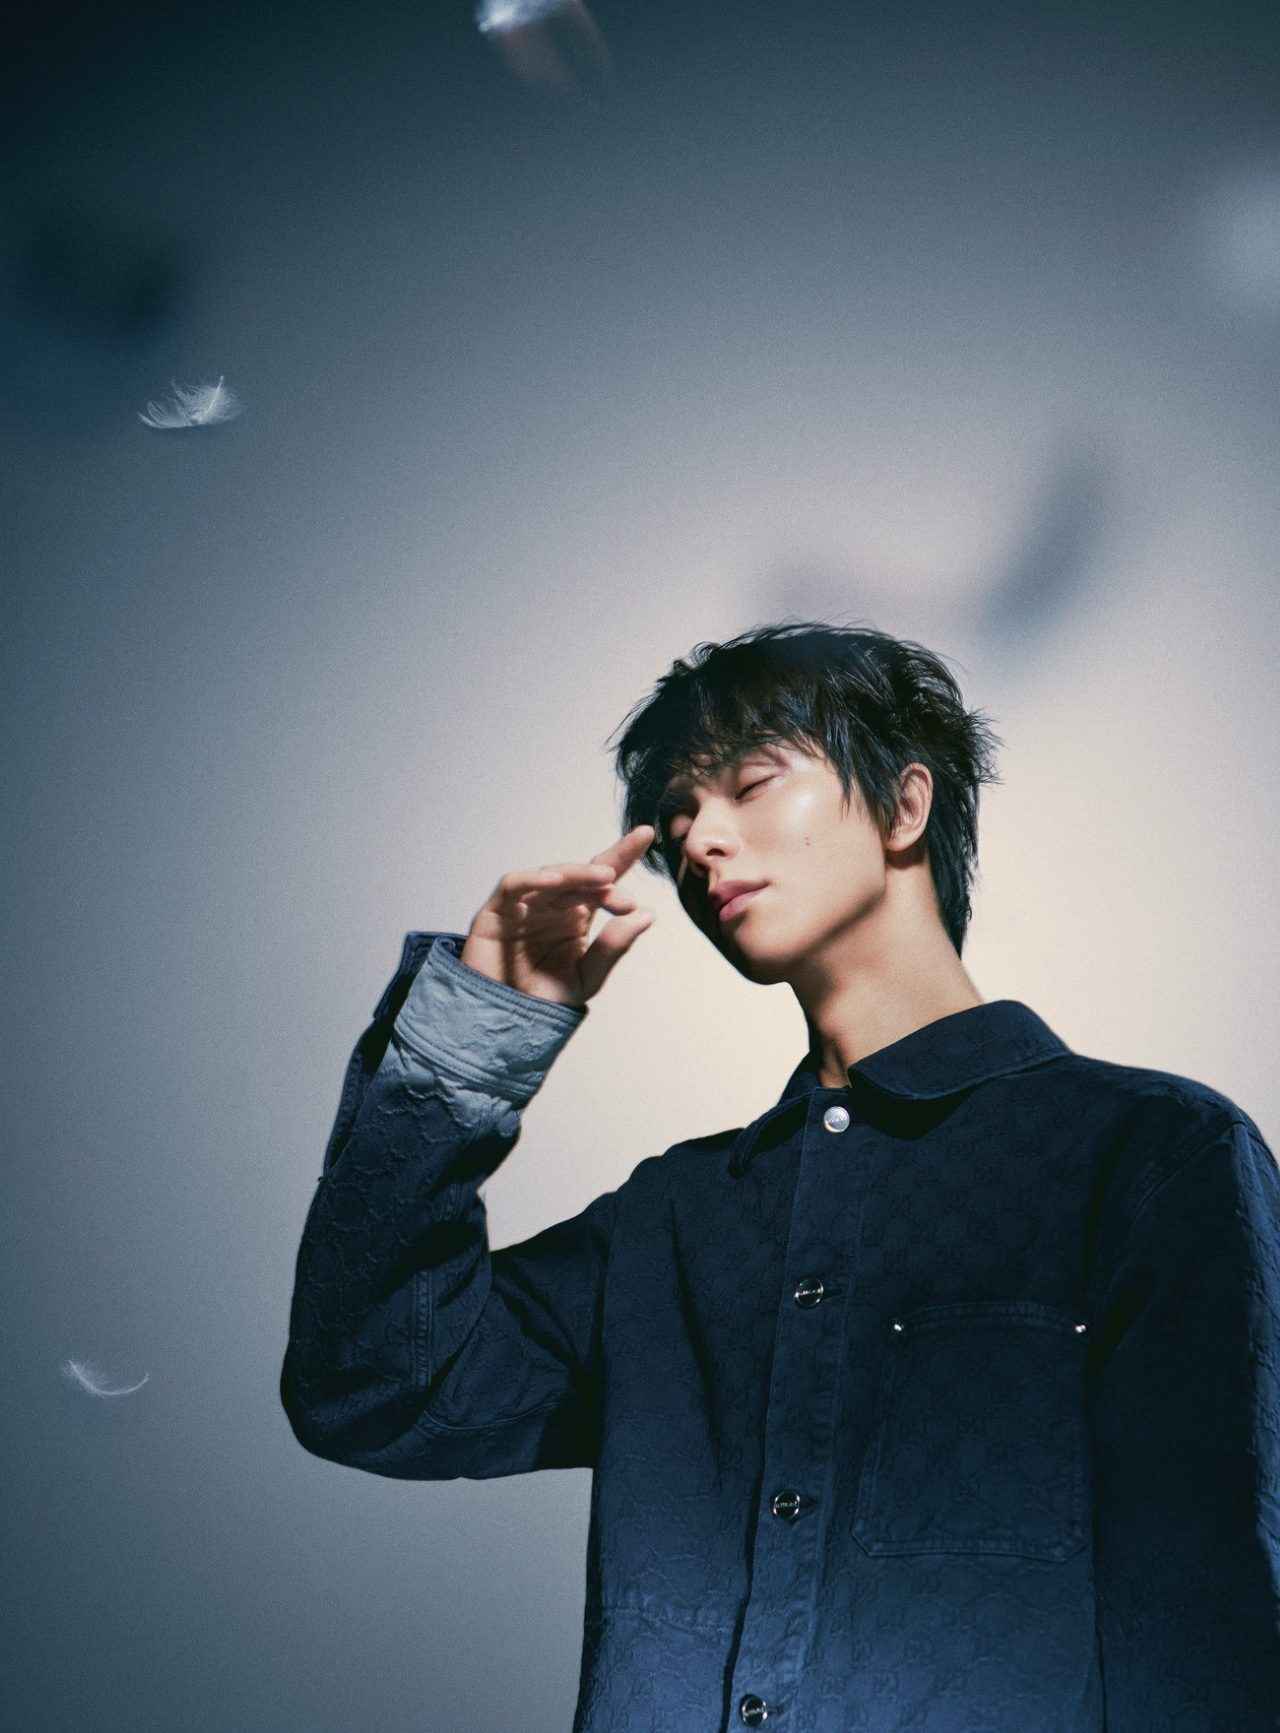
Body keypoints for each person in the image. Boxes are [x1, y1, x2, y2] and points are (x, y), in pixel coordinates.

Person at [280, 619, 1280, 1731]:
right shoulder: (669, 1220)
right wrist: (479, 1032)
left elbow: (1206, 1631)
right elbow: (372, 1385)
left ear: (905, 806)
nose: (700, 840)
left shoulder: (1149, 1155)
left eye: (751, 784)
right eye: (676, 822)